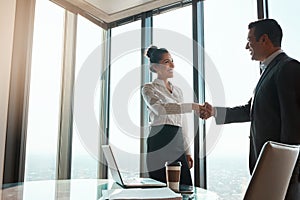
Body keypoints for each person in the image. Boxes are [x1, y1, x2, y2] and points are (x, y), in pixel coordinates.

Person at [199, 19, 300, 199]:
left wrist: (288, 171)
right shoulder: (270, 71)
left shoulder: (287, 68)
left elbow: (293, 124)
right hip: (272, 170)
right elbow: (250, 110)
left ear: (264, 40)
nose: (247, 46)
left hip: (282, 173)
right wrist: (215, 111)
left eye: (250, 40)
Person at [141, 46, 200, 186]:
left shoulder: (178, 91)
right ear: (155, 67)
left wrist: (187, 151)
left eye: (172, 61)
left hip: (177, 140)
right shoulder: (149, 88)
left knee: (185, 186)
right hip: (158, 140)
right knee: (159, 188)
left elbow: (183, 122)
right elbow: (160, 109)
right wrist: (191, 106)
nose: (172, 65)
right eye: (167, 61)